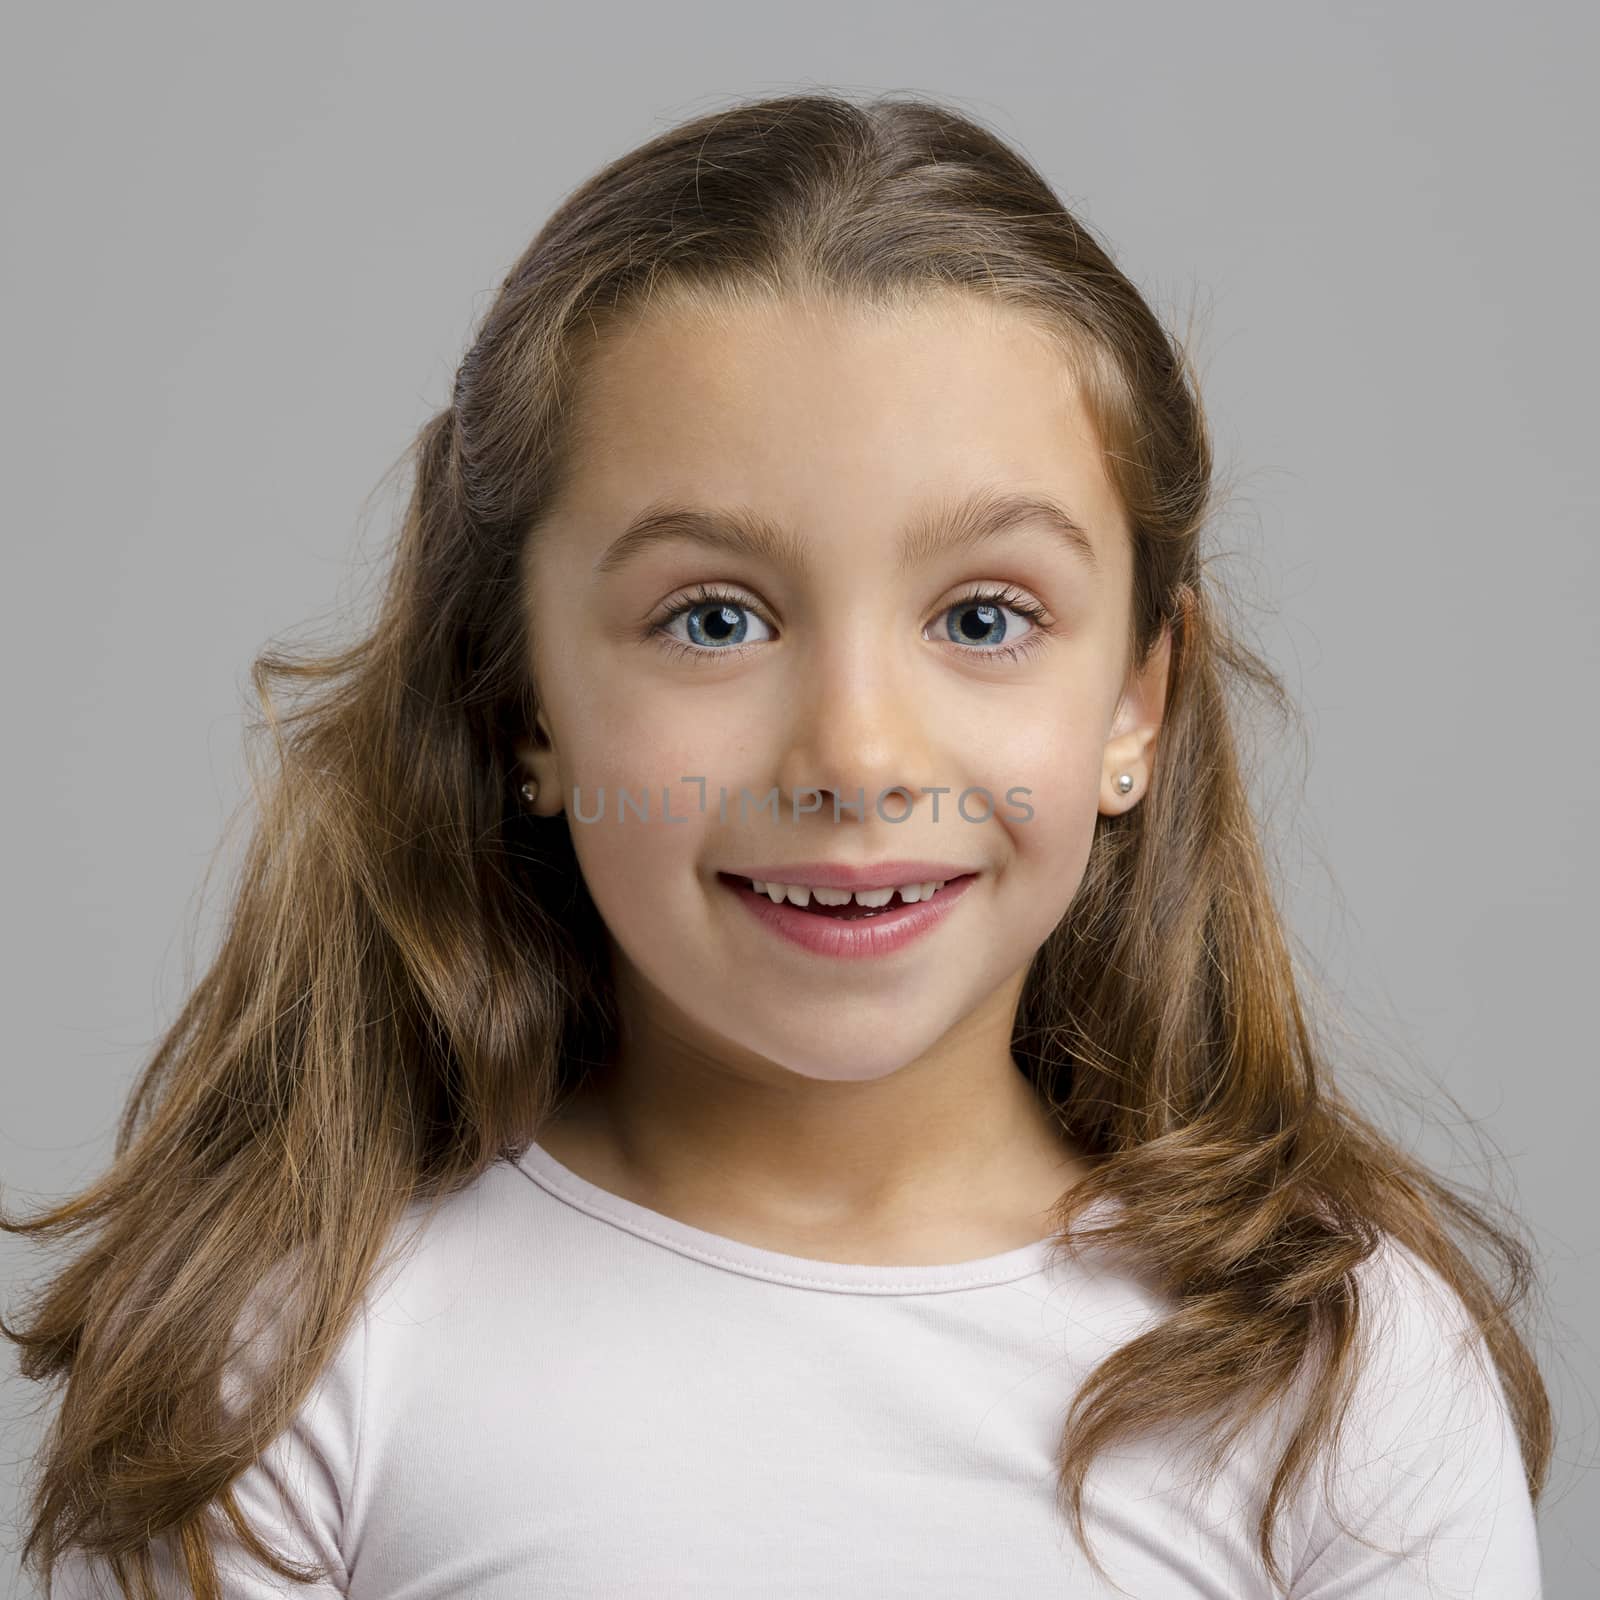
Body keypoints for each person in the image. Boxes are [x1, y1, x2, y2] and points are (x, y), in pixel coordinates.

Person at [4, 90, 1549, 1598]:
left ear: (1136, 705)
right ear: (522, 698)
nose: (857, 755)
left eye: (985, 618)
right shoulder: (287, 1359)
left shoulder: (1337, 1377)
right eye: (715, 618)